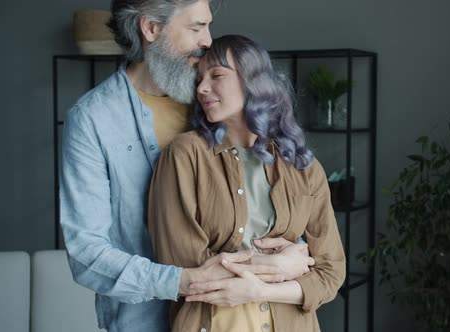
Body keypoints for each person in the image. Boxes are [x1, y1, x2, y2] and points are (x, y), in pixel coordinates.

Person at [60, 1, 311, 331]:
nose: (208, 40)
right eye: (196, 27)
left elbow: (270, 202)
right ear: (151, 29)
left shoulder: (220, 100)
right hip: (143, 323)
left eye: (207, 26)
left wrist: (291, 255)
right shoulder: (93, 120)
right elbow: (87, 255)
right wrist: (184, 281)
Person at [148, 35, 346, 332]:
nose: (201, 88)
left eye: (216, 75)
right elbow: (186, 269)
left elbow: (331, 273)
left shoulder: (304, 168)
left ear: (253, 81)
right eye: (199, 78)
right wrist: (282, 267)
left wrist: (262, 291)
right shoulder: (184, 156)